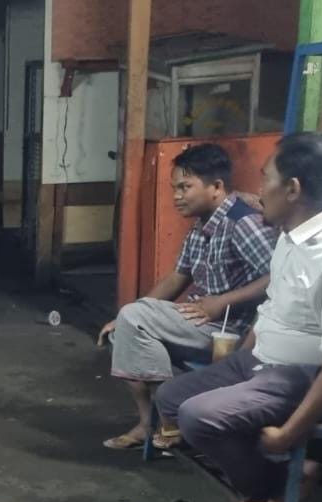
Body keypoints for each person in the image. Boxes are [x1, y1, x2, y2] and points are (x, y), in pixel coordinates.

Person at [130, 133, 322, 502]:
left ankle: (265, 500)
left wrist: (288, 435)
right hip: (271, 363)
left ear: (293, 189)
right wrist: (239, 360)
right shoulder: (292, 233)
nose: (256, 190)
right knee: (171, 398)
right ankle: (287, 477)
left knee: (200, 416)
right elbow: (273, 307)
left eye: (266, 178)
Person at [98, 143, 277, 450]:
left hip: (231, 332)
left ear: (216, 187)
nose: (177, 196)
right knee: (123, 331)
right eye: (174, 188)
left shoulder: (243, 223)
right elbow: (177, 277)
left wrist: (224, 301)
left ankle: (170, 418)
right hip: (202, 322)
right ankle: (152, 421)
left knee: (133, 323)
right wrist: (130, 313)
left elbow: (278, 276)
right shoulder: (201, 226)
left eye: (185, 187)